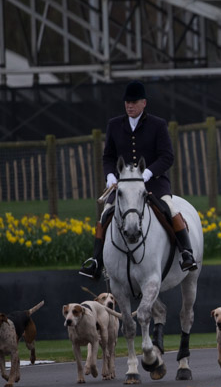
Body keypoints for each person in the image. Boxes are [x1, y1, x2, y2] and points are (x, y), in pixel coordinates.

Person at [80, 81, 197, 279]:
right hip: (123, 185)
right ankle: (96, 261)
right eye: (127, 102)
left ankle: (186, 253)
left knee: (171, 209)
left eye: (133, 102)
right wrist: (110, 175)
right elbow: (108, 157)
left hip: (154, 183)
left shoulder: (157, 125)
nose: (129, 106)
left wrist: (148, 173)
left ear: (144, 103)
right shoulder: (114, 125)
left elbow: (167, 156)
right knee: (105, 214)